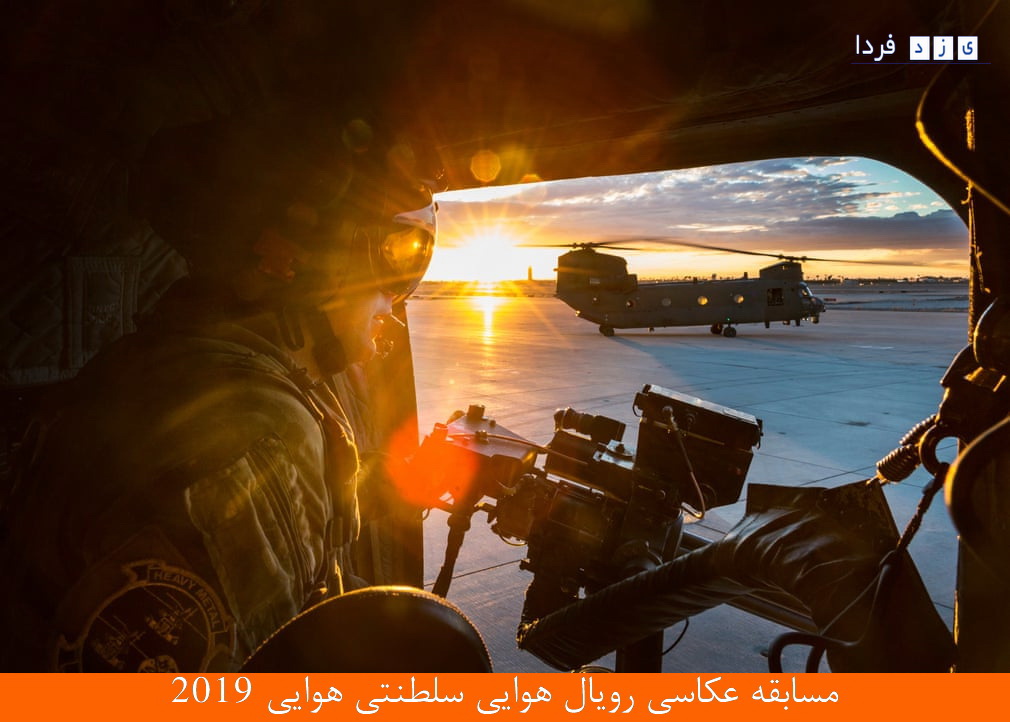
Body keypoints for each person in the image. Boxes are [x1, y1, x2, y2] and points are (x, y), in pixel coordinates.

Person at [0, 105, 438, 672]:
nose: (399, 296)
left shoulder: (168, 363)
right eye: (399, 255)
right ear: (292, 258)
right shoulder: (255, 428)